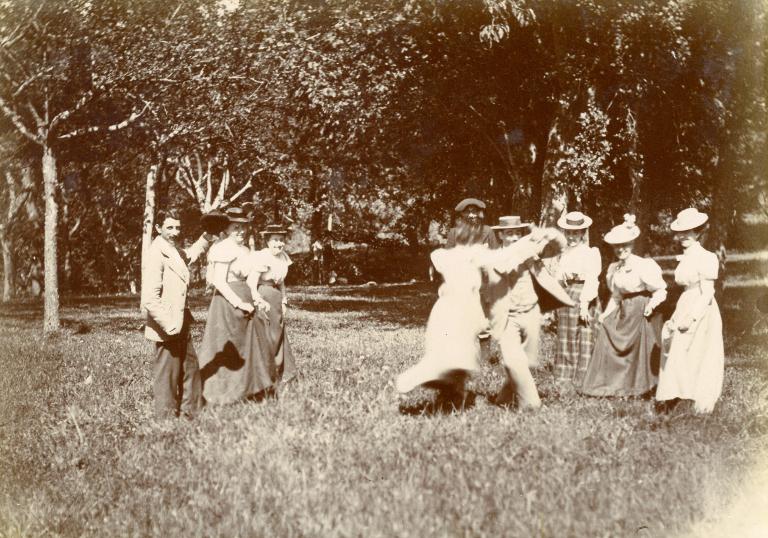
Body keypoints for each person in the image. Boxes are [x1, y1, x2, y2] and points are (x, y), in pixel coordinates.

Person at [486, 216, 574, 409]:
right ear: (500, 235)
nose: (514, 237)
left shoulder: (530, 251)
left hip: (532, 312)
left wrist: (551, 234)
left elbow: (559, 247)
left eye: (517, 233)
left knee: (528, 362)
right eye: (509, 233)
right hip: (507, 317)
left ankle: (504, 398)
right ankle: (531, 405)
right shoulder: (493, 258)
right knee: (512, 360)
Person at [581, 214, 666, 397]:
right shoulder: (613, 269)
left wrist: (651, 304)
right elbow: (617, 296)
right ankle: (614, 384)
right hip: (624, 310)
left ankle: (639, 387)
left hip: (642, 309)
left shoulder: (643, 265)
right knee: (608, 333)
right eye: (617, 246)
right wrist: (605, 315)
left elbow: (660, 290)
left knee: (637, 348)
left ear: (632, 244)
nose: (621, 249)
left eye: (624, 245)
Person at [198, 207, 276, 405]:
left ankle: (251, 389)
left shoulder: (245, 249)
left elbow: (251, 279)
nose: (240, 231)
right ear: (226, 228)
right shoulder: (223, 248)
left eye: (243, 227)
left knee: (250, 344)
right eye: (235, 227)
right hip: (227, 301)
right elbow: (219, 281)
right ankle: (224, 393)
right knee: (229, 345)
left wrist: (256, 298)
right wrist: (239, 303)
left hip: (245, 297)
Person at [142, 208, 211, 418]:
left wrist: (207, 235)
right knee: (168, 372)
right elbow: (149, 299)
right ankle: (165, 418)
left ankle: (192, 411)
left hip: (182, 319)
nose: (175, 232)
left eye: (178, 227)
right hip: (168, 323)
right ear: (158, 228)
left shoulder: (172, 249)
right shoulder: (156, 253)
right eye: (169, 227)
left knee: (190, 367)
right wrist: (169, 325)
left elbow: (188, 256)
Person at [656, 208, 724, 413]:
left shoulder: (707, 257)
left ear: (699, 232)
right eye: (681, 231)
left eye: (690, 230)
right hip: (685, 302)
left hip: (701, 307)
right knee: (678, 348)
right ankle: (677, 396)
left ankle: (694, 399)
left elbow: (707, 292)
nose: (684, 235)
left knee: (697, 351)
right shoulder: (685, 256)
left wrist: (693, 317)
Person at [553, 211, 602, 386]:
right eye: (569, 233)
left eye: (576, 233)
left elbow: (591, 278)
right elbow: (558, 277)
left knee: (584, 334)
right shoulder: (564, 252)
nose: (572, 237)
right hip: (568, 293)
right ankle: (565, 375)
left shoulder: (590, 252)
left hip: (584, 294)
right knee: (566, 334)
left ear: (583, 233)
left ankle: (584, 376)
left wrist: (584, 304)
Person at [247, 223, 297, 386]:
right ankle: (266, 373)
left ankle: (281, 371)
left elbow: (282, 283)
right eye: (275, 240)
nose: (279, 244)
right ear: (267, 241)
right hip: (263, 295)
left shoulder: (283, 257)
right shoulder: (262, 256)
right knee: (268, 334)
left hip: (275, 297)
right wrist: (257, 300)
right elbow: (251, 282)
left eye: (281, 240)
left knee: (278, 331)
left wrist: (284, 300)